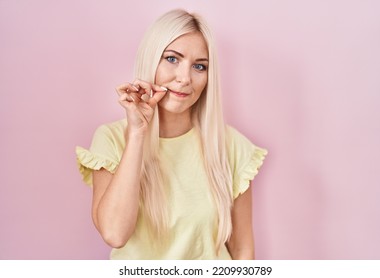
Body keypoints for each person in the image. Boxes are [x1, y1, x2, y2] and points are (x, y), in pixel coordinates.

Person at [76, 9, 267, 260]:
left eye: (199, 66)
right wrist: (137, 132)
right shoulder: (112, 139)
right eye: (172, 59)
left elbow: (242, 250)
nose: (184, 78)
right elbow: (114, 233)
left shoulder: (231, 146)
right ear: (151, 59)